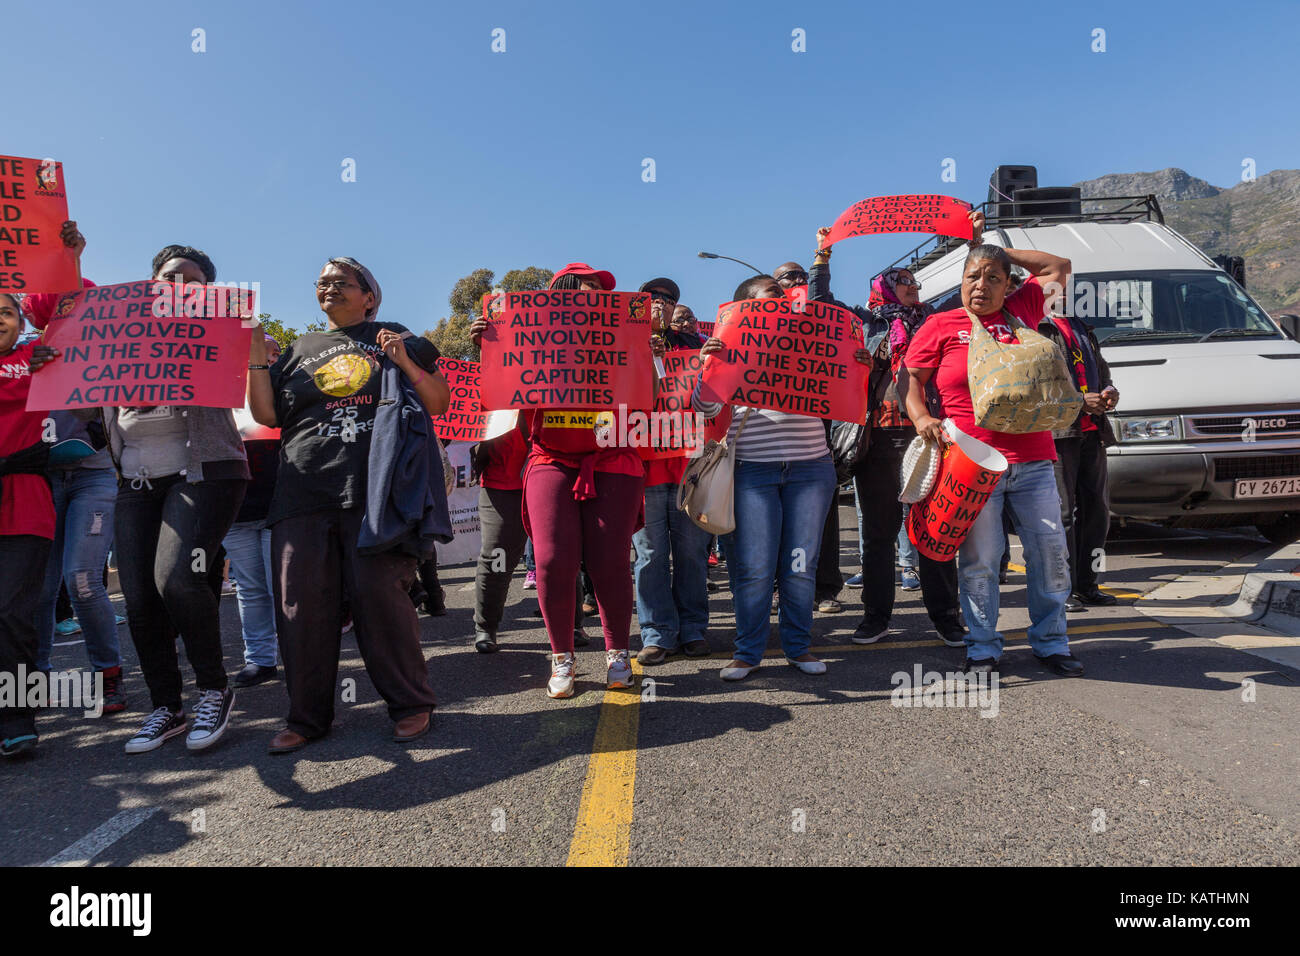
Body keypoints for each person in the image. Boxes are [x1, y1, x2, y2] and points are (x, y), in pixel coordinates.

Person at [38, 246, 253, 754]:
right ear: (151, 284)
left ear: (207, 291)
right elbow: (90, 403)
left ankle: (214, 690)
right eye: (169, 276)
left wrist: (242, 337)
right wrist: (53, 365)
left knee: (177, 579)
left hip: (202, 473)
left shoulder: (218, 331)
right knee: (139, 598)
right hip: (134, 482)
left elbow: (240, 383)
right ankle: (165, 705)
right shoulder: (119, 332)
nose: (179, 284)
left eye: (192, 279)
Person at [247, 257, 451, 752]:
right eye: (322, 282)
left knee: (380, 600)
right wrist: (254, 357)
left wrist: (403, 361)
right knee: (301, 608)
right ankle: (307, 717)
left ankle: (410, 704)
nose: (329, 288)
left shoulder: (395, 336)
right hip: (303, 493)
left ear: (369, 297)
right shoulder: (297, 351)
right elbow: (266, 412)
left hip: (377, 493)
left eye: (341, 282)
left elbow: (439, 401)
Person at [902, 220, 1084, 677]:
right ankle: (982, 646)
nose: (980, 285)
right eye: (972, 277)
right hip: (970, 463)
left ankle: (1051, 642)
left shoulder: (1023, 312)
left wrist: (990, 249)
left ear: (1009, 286)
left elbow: (1058, 265)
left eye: (992, 278)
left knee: (1049, 553)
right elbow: (911, 386)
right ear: (960, 282)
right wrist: (923, 419)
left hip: (1035, 461)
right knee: (980, 560)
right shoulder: (939, 325)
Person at [692, 275, 871, 680]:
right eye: (772, 297)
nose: (785, 300)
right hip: (754, 470)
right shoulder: (730, 348)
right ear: (746, 310)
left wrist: (857, 367)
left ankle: (797, 647)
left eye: (784, 295)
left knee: (799, 564)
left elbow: (851, 401)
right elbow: (703, 407)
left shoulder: (812, 341)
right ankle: (748, 652)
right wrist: (708, 366)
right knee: (755, 567)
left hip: (811, 469)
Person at [809, 229, 965, 647]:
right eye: (905, 283)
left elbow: (969, 291)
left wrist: (974, 241)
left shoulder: (935, 321)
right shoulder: (863, 322)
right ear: (884, 290)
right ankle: (875, 618)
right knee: (879, 536)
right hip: (877, 440)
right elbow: (819, 304)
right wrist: (822, 258)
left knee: (932, 529)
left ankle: (947, 618)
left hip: (928, 436)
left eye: (915, 283)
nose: (914, 288)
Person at [518, 263, 648, 698]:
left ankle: (617, 654)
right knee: (553, 560)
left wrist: (655, 350)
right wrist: (494, 346)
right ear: (563, 294)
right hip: (550, 459)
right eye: (589, 287)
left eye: (602, 290)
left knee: (610, 561)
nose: (599, 295)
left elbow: (651, 399)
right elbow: (502, 405)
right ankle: (562, 657)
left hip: (614, 458)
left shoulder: (626, 342)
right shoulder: (532, 340)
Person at [23, 222, 127, 712]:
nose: (61, 321)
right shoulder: (22, 360)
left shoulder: (105, 358)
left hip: (93, 476)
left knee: (82, 580)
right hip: (39, 482)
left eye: (73, 310)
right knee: (40, 588)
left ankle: (107, 675)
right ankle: (34, 682)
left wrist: (72, 259)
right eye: (51, 315)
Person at [634, 284, 715, 665]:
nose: (661, 305)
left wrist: (712, 363)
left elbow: (711, 402)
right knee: (650, 556)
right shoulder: (623, 342)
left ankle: (693, 628)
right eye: (652, 299)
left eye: (667, 300)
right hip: (643, 468)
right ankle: (656, 633)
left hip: (688, 467)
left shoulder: (693, 344)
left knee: (692, 554)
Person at [0, 293, 58, 757]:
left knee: (12, 612)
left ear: (22, 322)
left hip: (24, 503)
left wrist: (67, 258)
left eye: (6, 311)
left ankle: (18, 715)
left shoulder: (39, 358)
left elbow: (77, 308)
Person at [1039, 307, 1120, 609]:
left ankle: (1089, 585)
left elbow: (1102, 371)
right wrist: (1077, 402)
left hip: (1093, 431)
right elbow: (1036, 385)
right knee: (1062, 517)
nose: (1061, 289)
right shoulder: (1035, 328)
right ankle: (1063, 589)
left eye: (1064, 283)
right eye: (1053, 283)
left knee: (1098, 512)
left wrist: (1110, 390)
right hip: (1059, 433)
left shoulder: (1082, 327)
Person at [225, 334, 283, 687]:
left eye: (271, 352)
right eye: (256, 351)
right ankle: (260, 660)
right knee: (249, 587)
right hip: (236, 505)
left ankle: (299, 653)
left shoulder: (286, 390)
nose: (266, 358)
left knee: (283, 587)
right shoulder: (222, 392)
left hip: (279, 505)